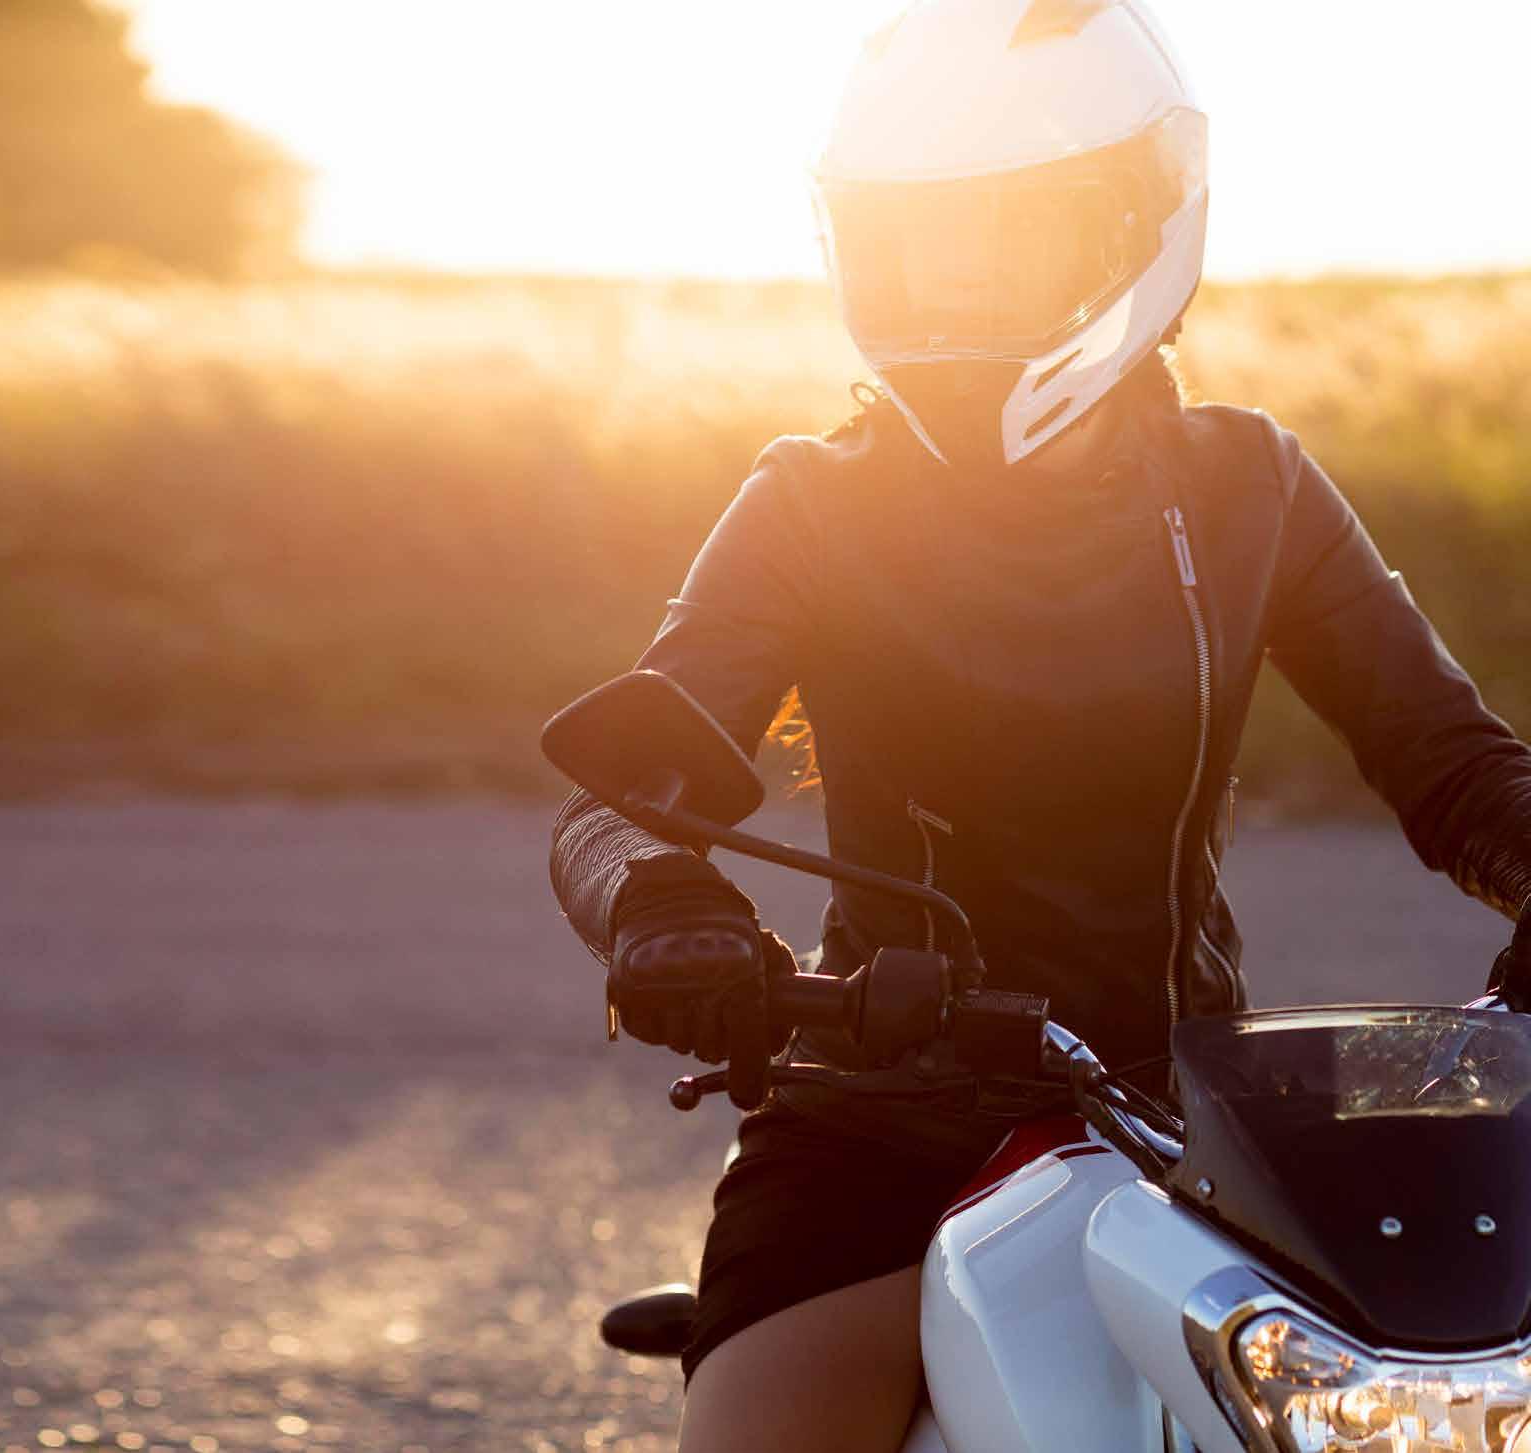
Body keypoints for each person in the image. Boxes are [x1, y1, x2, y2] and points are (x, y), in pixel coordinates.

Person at [545, 1, 1531, 1450]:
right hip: (877, 1126)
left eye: (1007, 237)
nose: (953, 289)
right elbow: (616, 798)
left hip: (1202, 1122)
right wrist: (662, 903)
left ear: (1144, 220)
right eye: (914, 242)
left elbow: (1453, 764)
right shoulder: (813, 500)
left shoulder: (1249, 486)